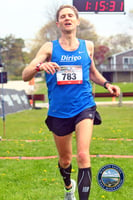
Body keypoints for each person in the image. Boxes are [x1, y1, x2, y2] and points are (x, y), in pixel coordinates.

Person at [22, 5, 120, 200]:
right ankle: (68, 187)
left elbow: (91, 72)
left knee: (83, 155)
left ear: (77, 21)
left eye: (70, 16)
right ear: (58, 23)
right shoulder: (49, 48)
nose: (67, 18)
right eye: (63, 16)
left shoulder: (87, 46)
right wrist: (41, 66)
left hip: (84, 106)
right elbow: (26, 74)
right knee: (65, 160)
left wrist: (107, 83)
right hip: (59, 111)